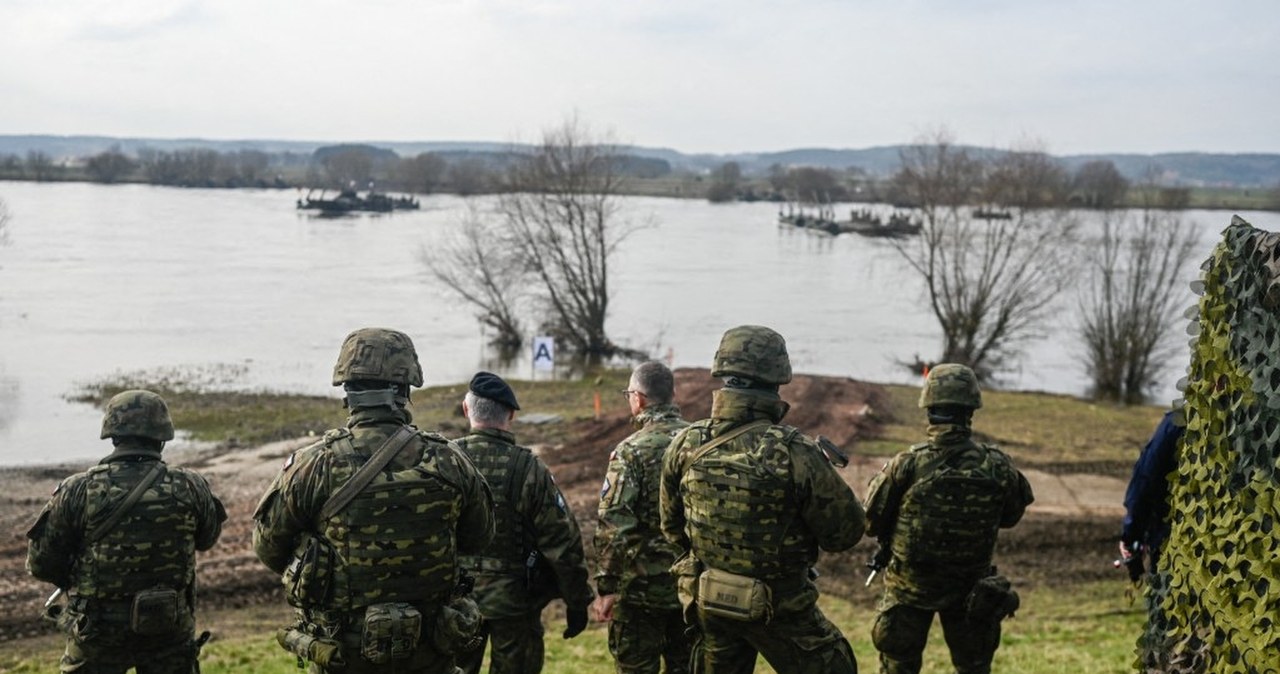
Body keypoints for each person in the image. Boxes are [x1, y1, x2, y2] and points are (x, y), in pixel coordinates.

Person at [253, 327, 494, 673]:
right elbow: (479, 538)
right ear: (405, 389)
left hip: (343, 653)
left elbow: (269, 549)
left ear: (347, 391)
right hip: (428, 654)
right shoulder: (450, 461)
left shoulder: (313, 465)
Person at [660, 325, 865, 674]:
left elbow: (671, 527)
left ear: (722, 373)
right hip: (781, 605)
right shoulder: (795, 451)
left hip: (711, 599)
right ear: (777, 379)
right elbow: (844, 534)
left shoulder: (685, 443)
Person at [26, 389, 227, 673]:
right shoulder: (190, 486)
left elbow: (41, 564)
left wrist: (77, 574)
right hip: (168, 629)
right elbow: (207, 539)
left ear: (113, 435)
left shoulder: (78, 490)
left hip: (97, 633)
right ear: (163, 436)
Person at [863, 363, 1034, 674]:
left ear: (929, 408)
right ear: (971, 409)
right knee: (974, 667)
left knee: (898, 666)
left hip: (909, 589)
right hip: (971, 591)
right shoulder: (998, 466)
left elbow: (871, 521)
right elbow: (1011, 516)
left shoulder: (907, 464)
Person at [454, 371, 594, 674]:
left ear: (466, 410)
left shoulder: (446, 461)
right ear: (512, 415)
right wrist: (577, 601)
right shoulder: (530, 469)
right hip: (515, 603)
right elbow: (562, 541)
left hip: (455, 602)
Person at [593, 361, 693, 674]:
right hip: (693, 587)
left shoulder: (630, 451)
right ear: (673, 395)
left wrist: (606, 586)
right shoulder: (702, 442)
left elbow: (614, 525)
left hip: (640, 593)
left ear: (638, 399)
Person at [1119, 410, 1183, 580]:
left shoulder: (1179, 421)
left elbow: (1146, 479)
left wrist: (1131, 534)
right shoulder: (1254, 418)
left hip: (1176, 548)